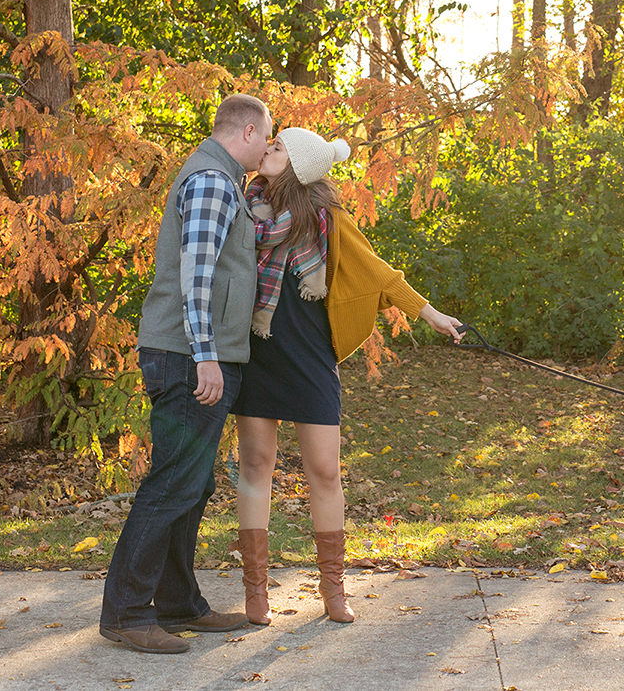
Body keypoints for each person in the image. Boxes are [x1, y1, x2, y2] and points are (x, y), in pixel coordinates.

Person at [227, 127, 463, 626]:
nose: (267, 149)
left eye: (278, 147)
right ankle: (255, 589)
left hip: (310, 359)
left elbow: (379, 273)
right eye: (269, 144)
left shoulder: (326, 220)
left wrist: (431, 314)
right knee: (256, 467)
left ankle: (333, 586)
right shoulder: (244, 210)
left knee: (326, 471)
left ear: (300, 165)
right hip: (257, 355)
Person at [99, 94, 274, 654]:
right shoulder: (210, 181)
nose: (269, 146)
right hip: (188, 357)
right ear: (246, 131)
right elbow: (196, 276)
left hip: (195, 353)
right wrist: (206, 355)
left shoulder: (224, 181)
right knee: (173, 482)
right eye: (266, 136)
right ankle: (127, 612)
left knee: (191, 484)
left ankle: (177, 604)